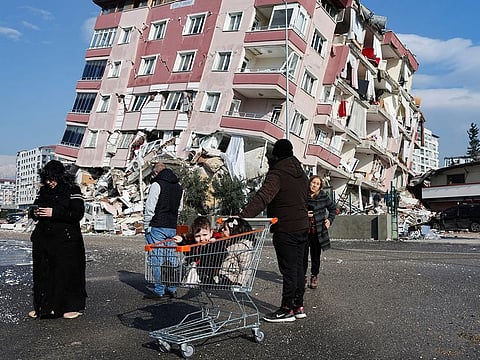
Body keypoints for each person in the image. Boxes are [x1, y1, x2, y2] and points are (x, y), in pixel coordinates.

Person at [239, 139, 309, 322]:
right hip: (302, 226)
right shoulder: (302, 174)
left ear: (276, 155)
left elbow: (263, 197)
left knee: (289, 269)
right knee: (299, 268)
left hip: (286, 227)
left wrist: (242, 217)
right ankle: (298, 305)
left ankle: (287, 309)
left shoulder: (277, 174)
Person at [28, 160, 87, 319]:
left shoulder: (72, 190)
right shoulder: (43, 191)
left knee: (65, 273)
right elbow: (33, 209)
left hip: (66, 241)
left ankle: (70, 307)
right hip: (44, 239)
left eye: (52, 179)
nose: (49, 182)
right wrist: (35, 213)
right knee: (43, 273)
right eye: (47, 179)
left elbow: (77, 214)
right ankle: (43, 307)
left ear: (60, 177)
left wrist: (54, 213)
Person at [144, 162, 183, 299]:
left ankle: (159, 289)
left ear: (155, 173)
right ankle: (171, 287)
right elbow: (179, 208)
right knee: (171, 258)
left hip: (157, 226)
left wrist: (146, 224)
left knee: (157, 258)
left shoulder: (157, 185)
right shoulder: (179, 187)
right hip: (172, 226)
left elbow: (150, 207)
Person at [305, 175, 336, 289]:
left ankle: (314, 276)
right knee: (302, 256)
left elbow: (333, 209)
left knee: (315, 256)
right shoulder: (303, 195)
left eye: (317, 184)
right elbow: (296, 209)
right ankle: (303, 277)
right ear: (309, 183)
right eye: (313, 182)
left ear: (320, 187)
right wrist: (304, 214)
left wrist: (329, 220)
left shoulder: (323, 196)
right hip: (304, 230)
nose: (314, 185)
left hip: (318, 231)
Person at [217, 217, 253, 286]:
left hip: (232, 278)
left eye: (225, 229)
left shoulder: (242, 247)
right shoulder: (229, 244)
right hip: (225, 274)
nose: (222, 230)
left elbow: (245, 268)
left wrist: (239, 283)